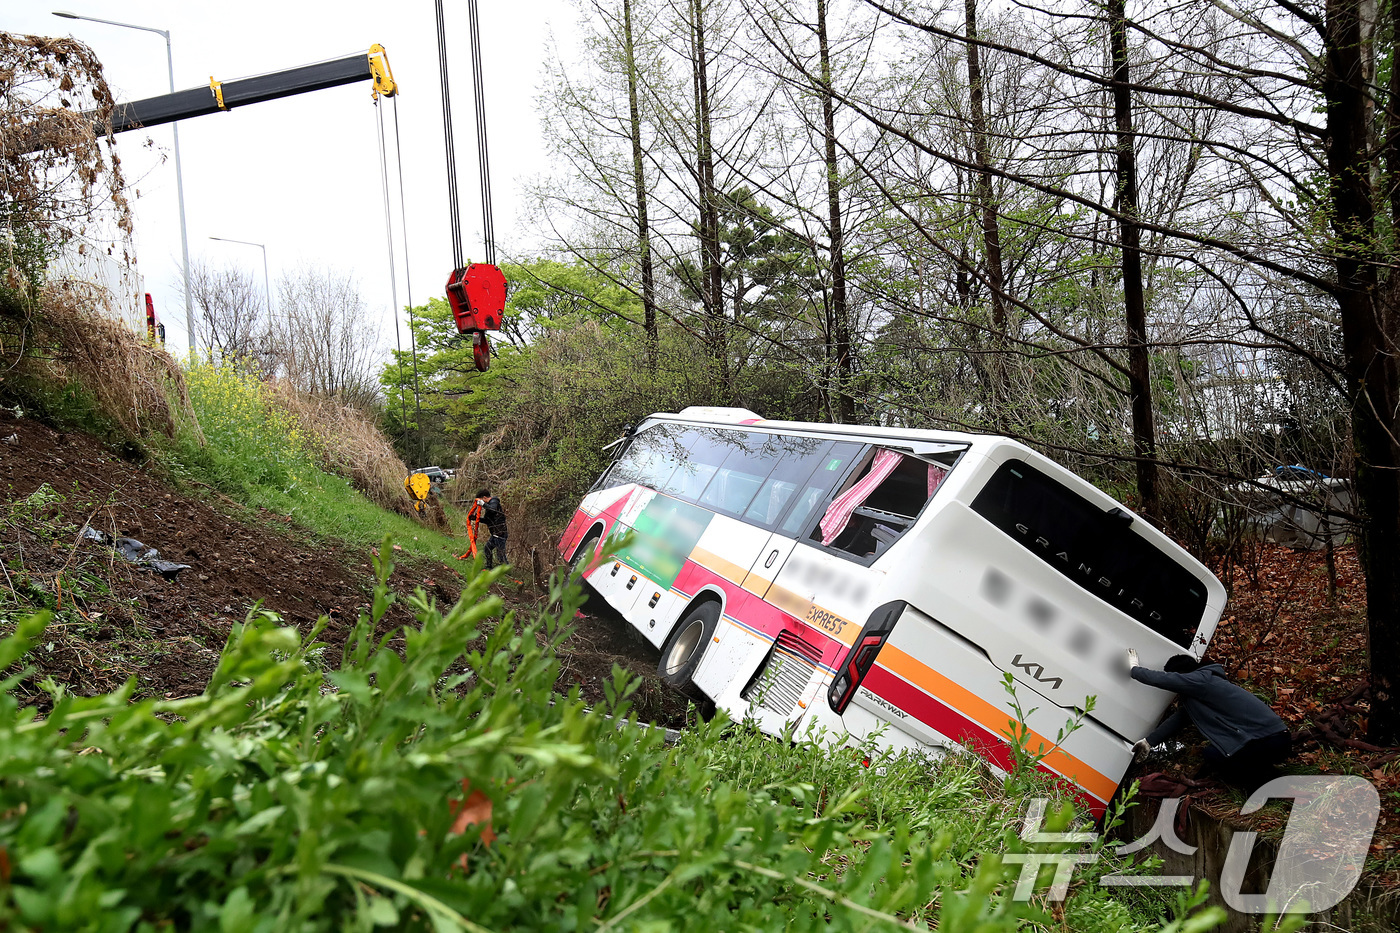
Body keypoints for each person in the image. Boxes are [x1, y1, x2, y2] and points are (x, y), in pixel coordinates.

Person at [1128, 649, 1291, 791]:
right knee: (1213, 754)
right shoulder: (1199, 692)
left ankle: (1268, 784)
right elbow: (1179, 719)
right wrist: (1149, 742)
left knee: (1216, 755)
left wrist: (1134, 669)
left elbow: (1162, 680)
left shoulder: (1202, 680)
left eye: (1177, 677)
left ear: (1183, 674)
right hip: (1271, 738)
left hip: (1271, 740)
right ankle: (1266, 775)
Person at [476, 488, 509, 569]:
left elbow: (493, 509)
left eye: (480, 500)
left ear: (484, 498)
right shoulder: (489, 507)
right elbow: (488, 520)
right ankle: (489, 567)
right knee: (487, 549)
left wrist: (483, 504)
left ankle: (507, 571)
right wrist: (475, 518)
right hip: (495, 534)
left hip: (500, 533)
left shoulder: (494, 501)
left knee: (500, 555)